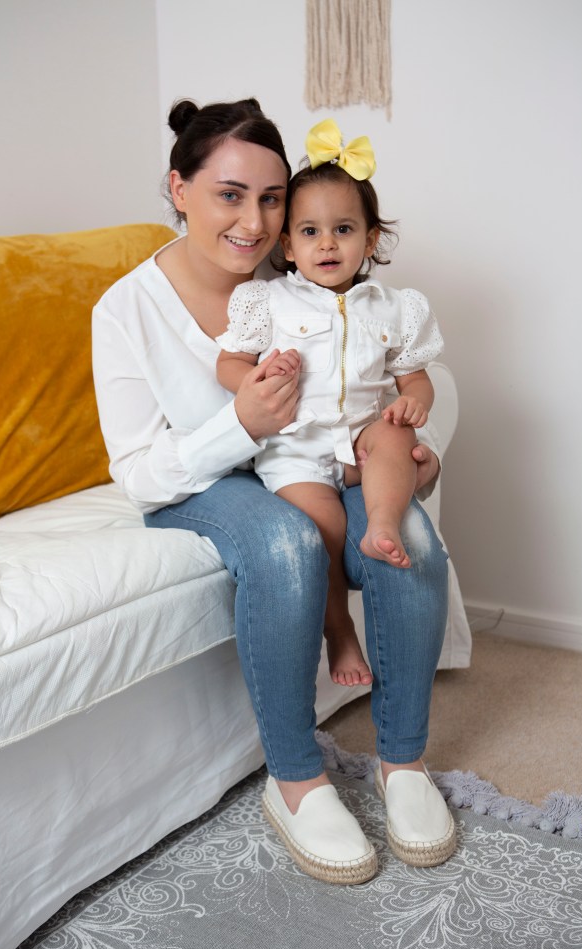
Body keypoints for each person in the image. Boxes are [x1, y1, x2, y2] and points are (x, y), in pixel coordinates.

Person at [92, 97, 455, 885]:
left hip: (321, 463)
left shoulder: (298, 272)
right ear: (178, 188)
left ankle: (404, 761)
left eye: (270, 198)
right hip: (206, 482)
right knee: (289, 542)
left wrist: (422, 456)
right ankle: (294, 780)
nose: (253, 223)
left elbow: (402, 373)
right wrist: (242, 423)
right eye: (230, 195)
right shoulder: (125, 311)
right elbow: (138, 471)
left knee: (414, 545)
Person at [216, 119, 443, 689]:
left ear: (369, 242)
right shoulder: (265, 301)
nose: (327, 243)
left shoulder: (394, 307)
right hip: (296, 448)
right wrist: (258, 376)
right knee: (320, 526)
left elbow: (416, 379)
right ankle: (339, 628)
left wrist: (412, 405)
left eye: (343, 229)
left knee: (395, 435)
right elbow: (228, 361)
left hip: (362, 439)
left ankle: (383, 523)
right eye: (310, 231)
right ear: (288, 245)